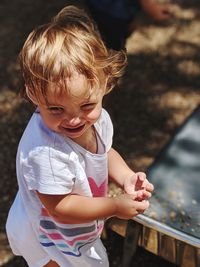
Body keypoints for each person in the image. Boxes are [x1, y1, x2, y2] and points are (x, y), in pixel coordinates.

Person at [6, 5, 154, 267]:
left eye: (86, 105)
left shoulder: (97, 120)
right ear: (33, 94)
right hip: (47, 236)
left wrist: (126, 176)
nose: (74, 119)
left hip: (72, 228)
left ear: (105, 83)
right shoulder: (46, 153)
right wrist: (114, 207)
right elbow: (60, 208)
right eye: (55, 109)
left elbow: (104, 152)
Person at [86, 0, 171, 50]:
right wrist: (154, 11)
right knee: (113, 45)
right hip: (116, 12)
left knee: (100, 34)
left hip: (97, 5)